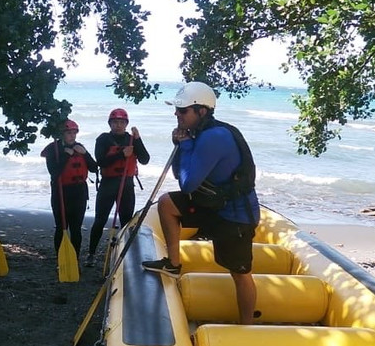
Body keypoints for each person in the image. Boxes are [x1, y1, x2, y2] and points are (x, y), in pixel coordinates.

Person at [142, 82, 260, 324]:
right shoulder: (200, 134)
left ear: (202, 111)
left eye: (183, 111)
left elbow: (187, 184)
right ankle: (173, 264)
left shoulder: (214, 138)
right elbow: (180, 173)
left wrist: (184, 145)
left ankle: (248, 325)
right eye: (177, 110)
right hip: (212, 205)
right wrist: (181, 145)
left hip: (235, 216)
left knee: (240, 274)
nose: (177, 114)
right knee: (167, 204)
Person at [86, 107, 150, 267]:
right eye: (115, 122)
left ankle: (124, 254)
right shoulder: (103, 139)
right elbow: (100, 161)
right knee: (100, 220)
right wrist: (122, 154)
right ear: (110, 124)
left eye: (122, 122)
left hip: (126, 184)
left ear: (126, 124)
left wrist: (138, 139)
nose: (118, 125)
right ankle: (91, 254)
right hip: (108, 183)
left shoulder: (131, 139)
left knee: (126, 221)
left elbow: (145, 159)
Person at [41, 119, 98, 257]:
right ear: (62, 134)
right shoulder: (52, 149)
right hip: (61, 192)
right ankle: (60, 258)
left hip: (79, 192)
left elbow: (94, 168)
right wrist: (67, 155)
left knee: (76, 228)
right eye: (68, 133)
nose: (72, 136)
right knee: (61, 228)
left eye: (74, 133)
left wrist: (85, 154)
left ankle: (75, 258)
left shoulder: (80, 147)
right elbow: (54, 173)